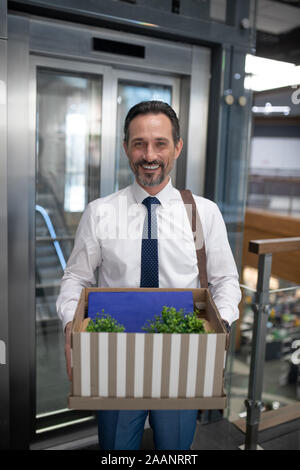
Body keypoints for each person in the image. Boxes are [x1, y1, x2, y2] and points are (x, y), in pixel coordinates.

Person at [56, 100, 241, 450]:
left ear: (178, 147)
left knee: (174, 451)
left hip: (182, 359)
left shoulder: (203, 213)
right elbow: (76, 278)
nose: (149, 154)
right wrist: (71, 325)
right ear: (126, 148)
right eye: (139, 143)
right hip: (115, 360)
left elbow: (226, 281)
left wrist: (222, 326)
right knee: (117, 450)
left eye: (160, 143)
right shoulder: (101, 213)